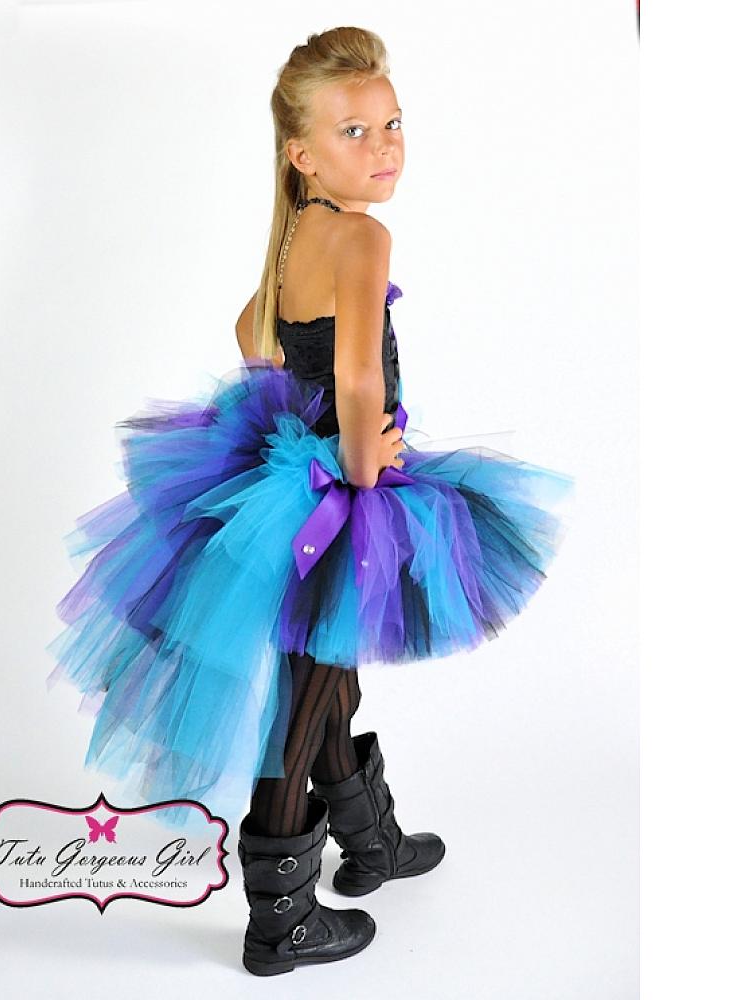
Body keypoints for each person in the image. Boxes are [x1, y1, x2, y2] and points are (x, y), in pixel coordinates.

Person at [46, 26, 574, 977]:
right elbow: (361, 376)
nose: (385, 147)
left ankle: (369, 844)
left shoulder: (295, 235)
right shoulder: (362, 236)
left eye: (392, 124)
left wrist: (302, 426)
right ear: (303, 153)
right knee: (311, 690)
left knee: (332, 675)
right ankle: (280, 918)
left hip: (299, 477)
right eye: (354, 132)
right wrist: (363, 466)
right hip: (345, 487)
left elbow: (254, 330)